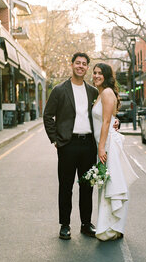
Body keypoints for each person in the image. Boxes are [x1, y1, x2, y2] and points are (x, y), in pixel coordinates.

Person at [43, 52, 119, 240]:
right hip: (67, 145)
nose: (81, 66)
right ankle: (65, 225)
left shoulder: (93, 91)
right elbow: (47, 116)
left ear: (87, 68)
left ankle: (86, 224)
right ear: (72, 65)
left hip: (89, 146)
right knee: (66, 186)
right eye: (78, 63)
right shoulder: (60, 90)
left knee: (87, 186)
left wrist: (115, 123)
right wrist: (55, 140)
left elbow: (106, 113)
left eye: (84, 64)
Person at [92, 63, 138, 241]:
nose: (96, 76)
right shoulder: (101, 92)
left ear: (106, 75)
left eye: (99, 73)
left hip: (107, 143)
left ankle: (111, 228)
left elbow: (105, 122)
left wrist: (102, 146)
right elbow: (110, 117)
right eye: (94, 73)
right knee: (105, 185)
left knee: (111, 185)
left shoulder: (107, 92)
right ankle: (108, 226)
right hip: (103, 142)